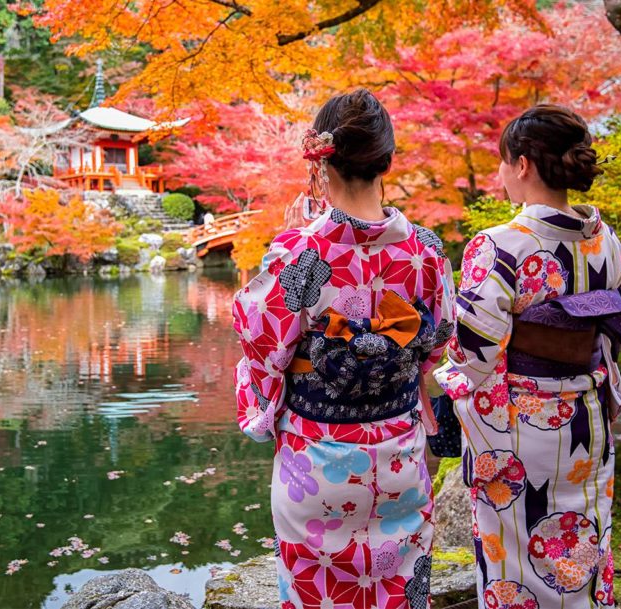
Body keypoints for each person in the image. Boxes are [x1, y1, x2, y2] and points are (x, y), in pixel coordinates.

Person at [232, 88, 456, 608]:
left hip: (316, 462)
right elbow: (439, 338)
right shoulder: (425, 250)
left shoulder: (302, 250)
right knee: (400, 592)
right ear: (388, 160)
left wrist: (265, 407)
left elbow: (262, 343)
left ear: (321, 161)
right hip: (399, 452)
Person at [432, 104, 621, 609]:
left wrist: (440, 384)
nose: (501, 174)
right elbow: (611, 332)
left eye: (503, 162)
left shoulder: (499, 246)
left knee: (514, 562)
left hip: (517, 427)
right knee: (582, 541)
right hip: (587, 419)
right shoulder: (606, 240)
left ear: (522, 165)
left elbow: (474, 353)